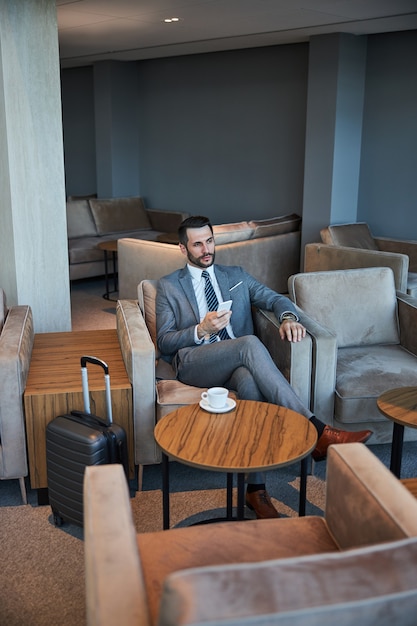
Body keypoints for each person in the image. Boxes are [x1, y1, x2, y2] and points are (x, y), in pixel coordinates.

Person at [156, 216, 372, 519]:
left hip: (236, 362)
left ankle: (255, 491)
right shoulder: (168, 286)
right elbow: (164, 341)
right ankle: (317, 429)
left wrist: (287, 318)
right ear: (183, 248)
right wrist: (201, 329)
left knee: (249, 383)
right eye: (198, 244)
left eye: (210, 240)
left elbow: (273, 298)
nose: (206, 249)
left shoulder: (236, 275)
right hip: (195, 361)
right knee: (248, 344)